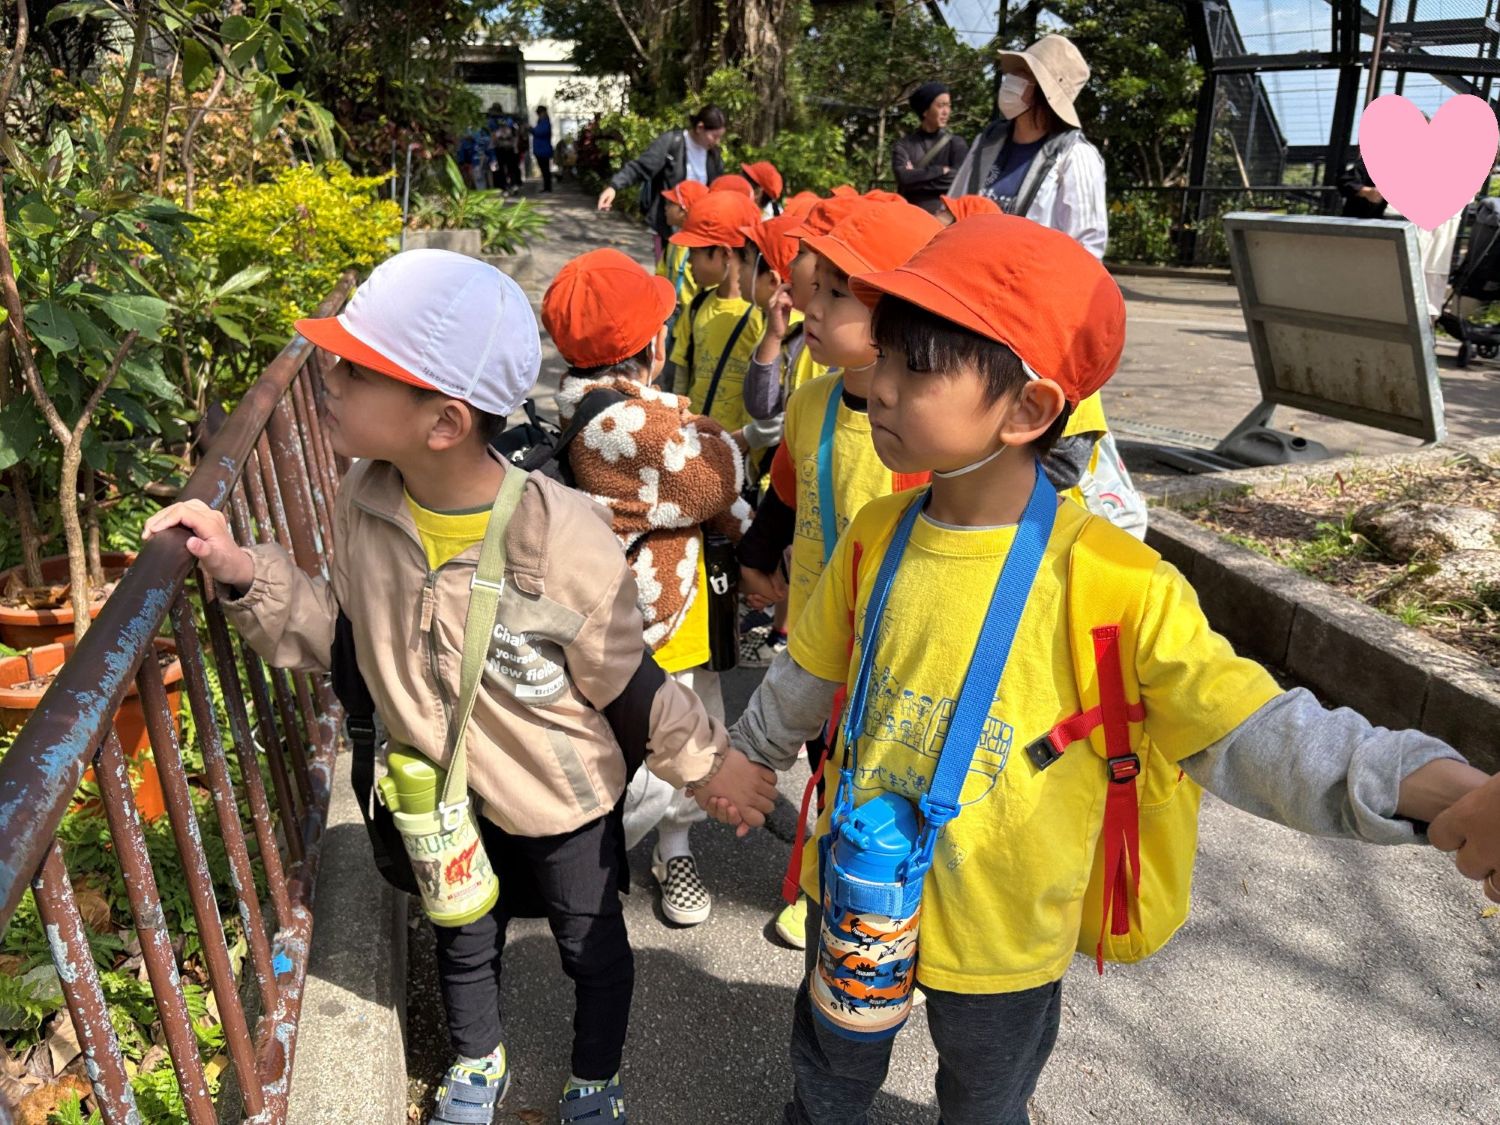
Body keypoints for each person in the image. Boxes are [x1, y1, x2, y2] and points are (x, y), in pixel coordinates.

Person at [711, 214, 1491, 1124]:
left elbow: (1257, 730)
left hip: (1006, 930)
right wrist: (751, 751)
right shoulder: (878, 533)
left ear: (1028, 409)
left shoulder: (1117, 581)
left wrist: (1441, 791)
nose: (878, 387)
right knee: (830, 1076)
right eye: (884, 355)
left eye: (915, 368)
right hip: (859, 885)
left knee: (985, 1098)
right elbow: (809, 667)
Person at [142, 249, 778, 1125]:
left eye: (355, 369)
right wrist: (246, 572)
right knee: (462, 935)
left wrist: (709, 765)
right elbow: (347, 637)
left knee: (591, 944)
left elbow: (626, 681)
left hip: (561, 796)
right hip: (440, 791)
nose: (328, 379)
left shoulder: (560, 536)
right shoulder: (366, 501)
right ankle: (479, 1060)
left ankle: (594, 1078)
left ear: (443, 421)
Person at [737, 198, 943, 947]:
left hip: (899, 653)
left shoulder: (928, 430)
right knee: (827, 760)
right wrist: (756, 559)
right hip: (819, 637)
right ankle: (819, 882)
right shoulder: (810, 403)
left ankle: (894, 903)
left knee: (890, 777)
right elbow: (787, 495)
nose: (806, 306)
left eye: (834, 293)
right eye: (810, 288)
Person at [543, 248, 754, 927]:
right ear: (653, 347)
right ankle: (607, 856)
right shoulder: (625, 424)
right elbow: (716, 478)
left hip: (670, 610)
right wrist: (714, 435)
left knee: (686, 728)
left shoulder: (606, 412)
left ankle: (673, 847)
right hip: (650, 622)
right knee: (662, 749)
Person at [949, 35, 1108, 260]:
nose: (1011, 79)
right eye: (1014, 72)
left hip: (1026, 276)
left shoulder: (1074, 155)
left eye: (1024, 73)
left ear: (1045, 92)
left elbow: (1087, 246)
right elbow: (954, 208)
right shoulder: (986, 142)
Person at [662, 191, 765, 436]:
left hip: (737, 448)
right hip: (693, 437)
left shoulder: (762, 317)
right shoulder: (697, 307)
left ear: (725, 253)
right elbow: (682, 377)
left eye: (694, 253)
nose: (689, 262)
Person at [598, 106, 728, 258]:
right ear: (700, 128)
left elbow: (717, 189)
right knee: (667, 269)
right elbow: (641, 167)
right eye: (714, 136)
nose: (717, 141)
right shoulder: (672, 143)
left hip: (698, 231)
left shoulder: (713, 156)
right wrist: (614, 186)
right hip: (668, 226)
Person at [892, 82, 970, 216]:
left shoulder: (956, 144)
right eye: (941, 106)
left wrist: (916, 177)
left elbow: (959, 179)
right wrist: (941, 171)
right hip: (910, 216)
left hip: (944, 218)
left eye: (948, 105)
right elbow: (904, 178)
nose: (946, 112)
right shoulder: (904, 145)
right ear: (925, 111)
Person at [656, 180, 711, 357]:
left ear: (685, 210)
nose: (665, 208)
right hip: (669, 316)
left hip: (689, 322)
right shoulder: (673, 241)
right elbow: (661, 275)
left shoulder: (701, 248)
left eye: (671, 204)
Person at [491, 111, 522, 193]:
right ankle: (504, 186)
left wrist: (514, 147)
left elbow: (515, 139)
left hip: (509, 150)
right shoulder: (497, 131)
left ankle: (513, 185)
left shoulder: (511, 129)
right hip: (501, 150)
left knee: (511, 168)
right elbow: (494, 141)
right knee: (502, 169)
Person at [531, 106, 555, 193]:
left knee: (545, 170)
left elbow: (540, 132)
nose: (539, 115)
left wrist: (531, 129)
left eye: (539, 113)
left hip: (543, 150)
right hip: (541, 150)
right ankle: (546, 187)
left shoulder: (545, 122)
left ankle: (548, 188)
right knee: (544, 170)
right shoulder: (542, 122)